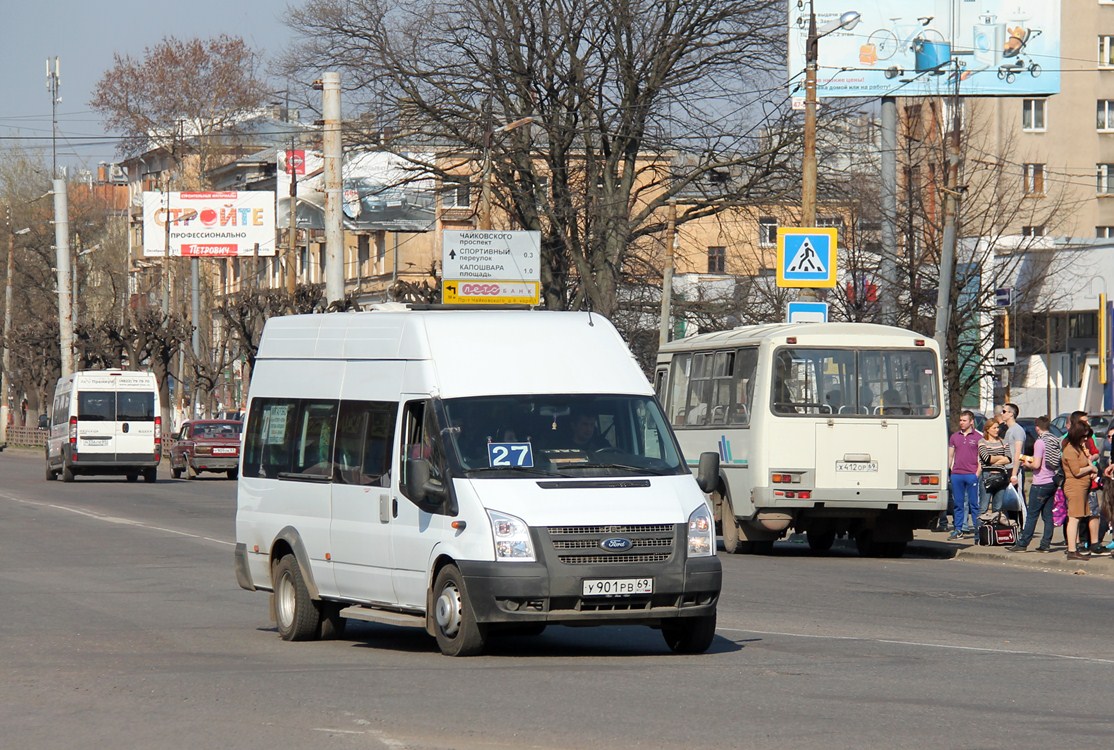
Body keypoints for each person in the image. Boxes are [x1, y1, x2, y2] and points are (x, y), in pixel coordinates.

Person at [1007, 415, 1058, 553]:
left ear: (1037, 428)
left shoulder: (1040, 442)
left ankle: (1023, 543)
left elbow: (1036, 464)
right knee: (1048, 515)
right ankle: (1046, 544)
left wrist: (1026, 464)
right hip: (1052, 480)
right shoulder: (1053, 439)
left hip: (1040, 482)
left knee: (1032, 515)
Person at [1061, 421, 1101, 561]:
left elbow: (1088, 462)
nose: (1085, 439)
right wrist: (1090, 469)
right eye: (1083, 436)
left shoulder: (1079, 448)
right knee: (1074, 518)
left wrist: (1092, 469)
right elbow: (1077, 471)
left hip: (1083, 487)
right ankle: (1072, 550)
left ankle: (1074, 548)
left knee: (1078, 517)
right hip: (1075, 487)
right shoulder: (1070, 450)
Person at [975, 420, 1012, 534]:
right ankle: (980, 534)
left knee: (998, 507)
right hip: (987, 476)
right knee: (983, 507)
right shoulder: (982, 442)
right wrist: (1001, 457)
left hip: (1001, 477)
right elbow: (986, 458)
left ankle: (995, 533)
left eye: (997, 428)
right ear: (987, 429)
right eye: (994, 428)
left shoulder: (1003, 442)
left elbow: (1009, 458)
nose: (997, 430)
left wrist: (994, 460)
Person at [948, 410, 980, 539]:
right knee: (958, 503)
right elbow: (950, 455)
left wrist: (977, 474)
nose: (961, 423)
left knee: (974, 504)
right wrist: (951, 471)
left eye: (964, 420)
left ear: (971, 422)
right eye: (960, 420)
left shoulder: (978, 437)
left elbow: (981, 458)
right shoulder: (955, 437)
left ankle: (978, 530)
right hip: (957, 474)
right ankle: (958, 529)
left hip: (971, 474)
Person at [998, 403, 1027, 506]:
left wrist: (1014, 474)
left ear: (1011, 414)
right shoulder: (1008, 430)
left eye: (1004, 411)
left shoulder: (1017, 430)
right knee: (1009, 502)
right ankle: (1012, 521)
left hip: (1014, 470)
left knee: (1018, 501)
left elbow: (1018, 453)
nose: (1002, 413)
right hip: (1007, 468)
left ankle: (1022, 522)